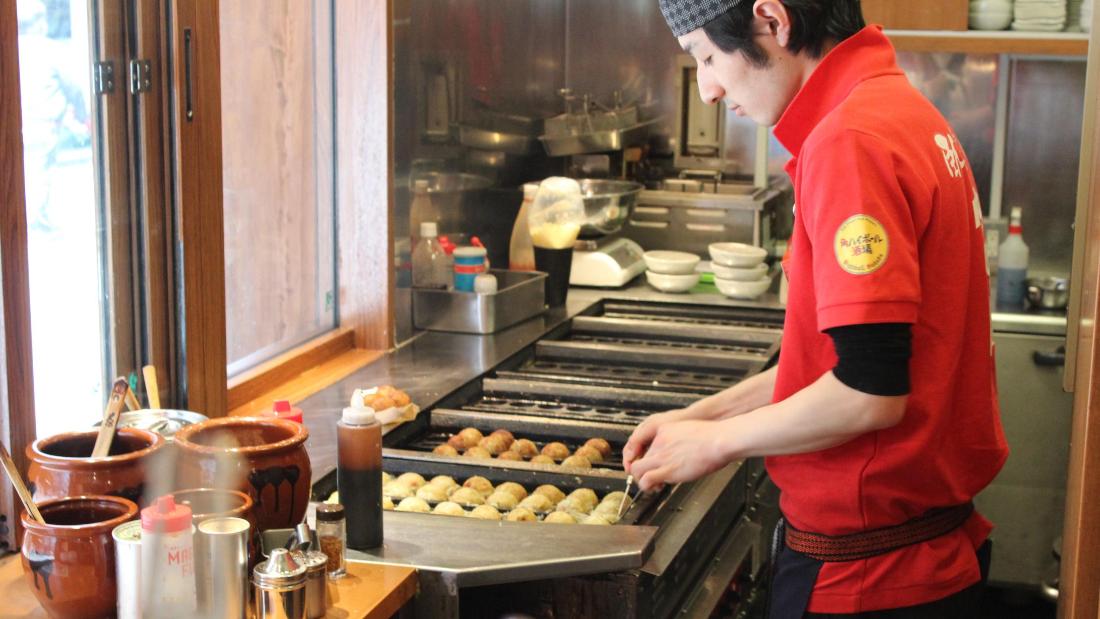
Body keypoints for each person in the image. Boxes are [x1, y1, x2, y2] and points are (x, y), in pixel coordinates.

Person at [623, 1, 1009, 617]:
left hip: (870, 579)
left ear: (773, 22)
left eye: (706, 55)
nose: (710, 88)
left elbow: (868, 391)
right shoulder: (897, 109)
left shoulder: (850, 139)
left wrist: (718, 443)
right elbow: (849, 359)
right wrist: (701, 413)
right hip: (926, 557)